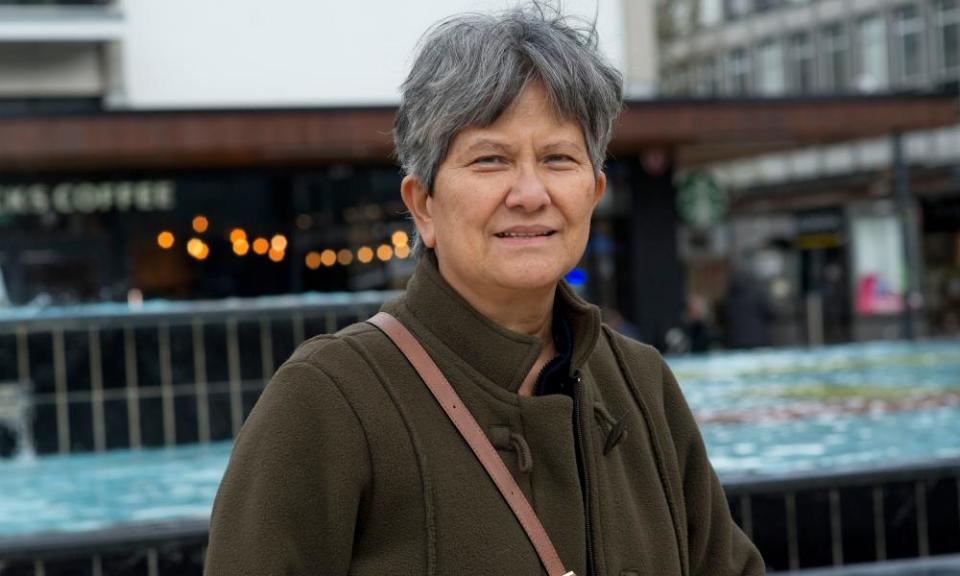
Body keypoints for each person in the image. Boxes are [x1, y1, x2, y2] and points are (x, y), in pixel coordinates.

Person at [204, 4, 765, 575]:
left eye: (558, 158)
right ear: (422, 204)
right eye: (490, 159)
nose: (529, 193)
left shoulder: (641, 384)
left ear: (593, 193)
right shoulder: (330, 395)